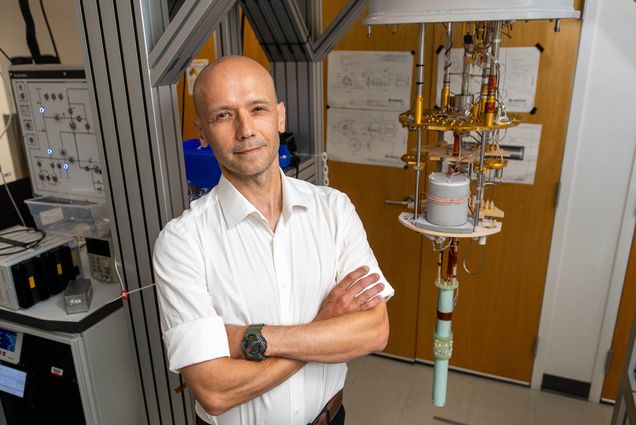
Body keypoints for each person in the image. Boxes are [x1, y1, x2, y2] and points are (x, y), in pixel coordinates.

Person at [153, 55, 394, 425]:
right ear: (202, 132)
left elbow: (374, 331)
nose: (245, 129)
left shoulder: (334, 211)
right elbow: (214, 391)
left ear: (279, 116)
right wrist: (323, 327)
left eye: (258, 108)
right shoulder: (181, 243)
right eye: (223, 115)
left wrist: (248, 338)